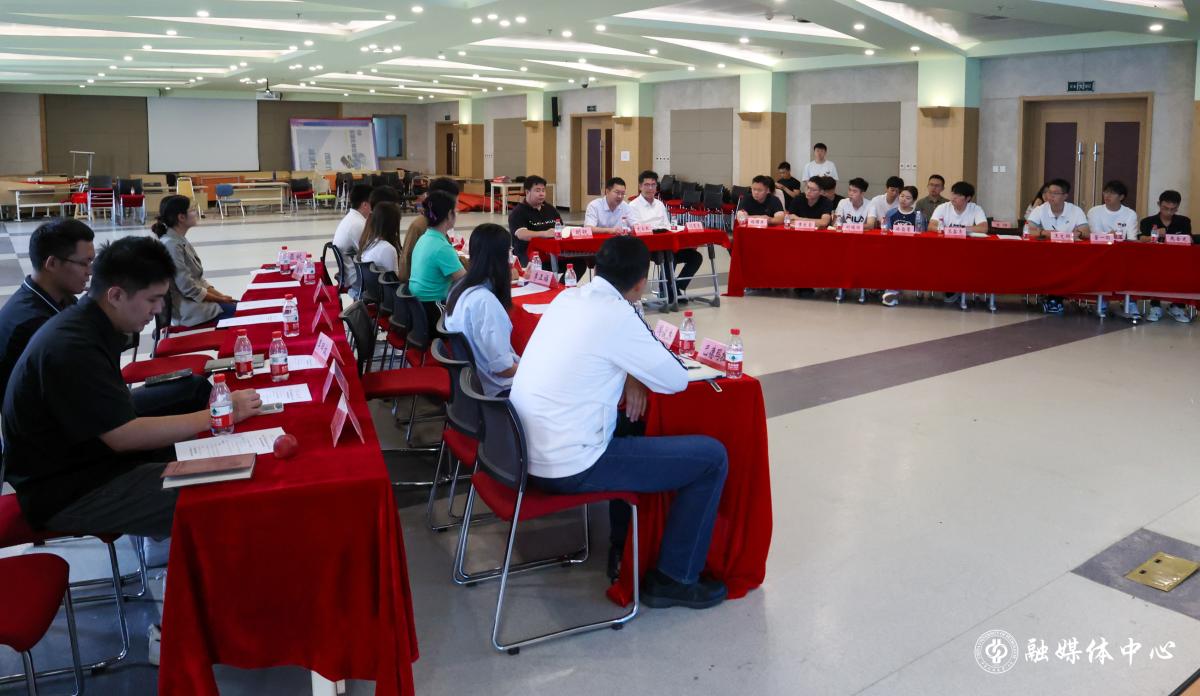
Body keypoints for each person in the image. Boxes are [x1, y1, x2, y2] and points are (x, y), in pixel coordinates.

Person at [513, 235, 729, 609]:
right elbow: (675, 380)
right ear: (641, 284)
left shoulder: (568, 298)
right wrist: (637, 370)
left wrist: (631, 374)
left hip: (518, 451)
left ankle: (623, 545)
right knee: (712, 459)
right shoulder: (618, 315)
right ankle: (676, 577)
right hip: (569, 464)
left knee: (629, 424)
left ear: (597, 267)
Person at [2, 236, 262, 538]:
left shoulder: (91, 320)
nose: (158, 309)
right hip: (70, 489)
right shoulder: (72, 347)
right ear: (115, 295)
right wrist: (219, 414)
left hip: (89, 455)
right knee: (216, 495)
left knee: (193, 407)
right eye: (152, 300)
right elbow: (122, 437)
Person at [0, 218, 94, 401]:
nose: (89, 271)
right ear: (51, 264)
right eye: (84, 263)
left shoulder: (57, 297)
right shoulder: (33, 324)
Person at [443, 224, 518, 396]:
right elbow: (503, 368)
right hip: (500, 389)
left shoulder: (458, 287)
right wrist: (531, 370)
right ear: (501, 257)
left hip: (475, 384)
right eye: (509, 251)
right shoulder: (485, 302)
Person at [153, 194, 236, 326]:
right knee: (245, 314)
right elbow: (188, 288)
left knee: (241, 307)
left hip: (197, 305)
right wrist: (219, 299)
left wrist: (221, 296)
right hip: (191, 312)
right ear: (181, 217)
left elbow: (198, 279)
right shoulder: (171, 245)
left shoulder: (179, 239)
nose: (196, 212)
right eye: (192, 209)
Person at [630, 170, 703, 297]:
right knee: (669, 255)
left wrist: (678, 228)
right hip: (647, 248)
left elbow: (667, 225)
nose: (650, 188)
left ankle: (677, 288)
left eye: (653, 185)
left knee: (696, 257)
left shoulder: (660, 205)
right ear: (640, 186)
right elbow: (636, 228)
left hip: (666, 244)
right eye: (646, 185)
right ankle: (666, 292)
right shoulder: (633, 206)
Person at [1025, 178, 1089, 314]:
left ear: (1065, 196)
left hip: (1070, 254)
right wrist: (1044, 232)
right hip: (1045, 253)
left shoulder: (1075, 210)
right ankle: (1053, 298)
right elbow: (1029, 230)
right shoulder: (1040, 210)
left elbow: (1086, 231)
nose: (1050, 196)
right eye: (1049, 192)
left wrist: (1077, 233)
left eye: (1055, 193)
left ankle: (1055, 298)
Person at [1138, 190, 1194, 323]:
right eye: (1165, 208)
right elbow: (1141, 239)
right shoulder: (1148, 221)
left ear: (1177, 207)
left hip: (1178, 260)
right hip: (1154, 260)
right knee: (1154, 271)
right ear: (1159, 204)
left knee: (1185, 271)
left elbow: (1189, 239)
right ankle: (1155, 306)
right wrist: (1156, 234)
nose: (1169, 212)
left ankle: (1178, 306)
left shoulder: (1184, 221)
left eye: (1172, 209)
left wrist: (1182, 238)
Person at [407, 190, 466, 302]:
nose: (457, 213)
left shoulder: (424, 238)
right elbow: (466, 281)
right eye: (455, 210)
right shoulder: (442, 247)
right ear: (449, 214)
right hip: (433, 305)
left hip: (417, 303)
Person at [399, 177, 460, 283]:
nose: (457, 206)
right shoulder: (423, 226)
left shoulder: (433, 224)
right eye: (456, 200)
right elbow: (406, 264)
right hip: (424, 287)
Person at [880, 186, 924, 308]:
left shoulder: (918, 215)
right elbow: (887, 233)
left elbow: (922, 235)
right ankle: (892, 292)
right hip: (893, 249)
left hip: (912, 251)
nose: (903, 199)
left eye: (908, 198)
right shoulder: (891, 213)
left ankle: (891, 292)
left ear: (914, 200)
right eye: (902, 196)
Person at [332, 183, 373, 291]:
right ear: (365, 204)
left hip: (349, 271)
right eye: (372, 203)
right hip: (355, 277)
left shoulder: (351, 218)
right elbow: (371, 255)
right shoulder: (358, 224)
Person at [357, 200, 403, 274]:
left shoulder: (369, 243)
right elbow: (394, 278)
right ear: (393, 224)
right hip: (380, 282)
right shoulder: (388, 249)